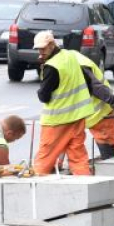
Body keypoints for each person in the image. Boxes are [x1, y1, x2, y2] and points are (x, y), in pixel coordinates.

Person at [32, 31, 94, 175]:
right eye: (39, 49)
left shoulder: (52, 66)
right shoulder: (70, 56)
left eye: (43, 48)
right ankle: (84, 186)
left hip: (56, 121)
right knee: (78, 156)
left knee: (45, 158)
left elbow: (44, 96)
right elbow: (87, 79)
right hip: (77, 117)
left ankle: (35, 189)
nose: (41, 52)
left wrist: (42, 68)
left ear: (52, 45)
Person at [73, 49, 114, 159]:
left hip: (99, 114)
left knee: (109, 154)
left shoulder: (76, 64)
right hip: (78, 115)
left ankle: (112, 170)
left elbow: (96, 87)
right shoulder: (61, 62)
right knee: (71, 150)